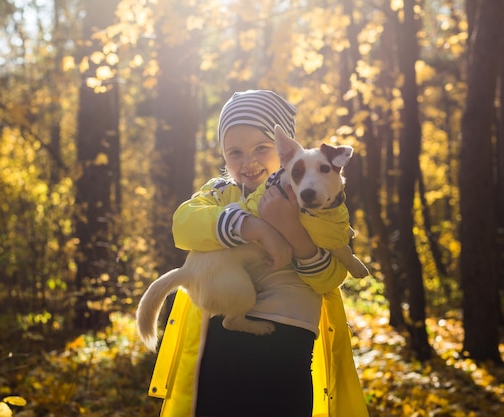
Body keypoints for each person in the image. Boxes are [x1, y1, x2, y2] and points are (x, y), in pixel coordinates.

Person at [146, 90, 369, 417]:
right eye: (234, 152)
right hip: (223, 342)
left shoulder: (314, 197)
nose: (248, 162)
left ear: (286, 150)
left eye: (261, 149)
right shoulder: (221, 192)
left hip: (290, 345)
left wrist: (290, 227)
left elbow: (329, 278)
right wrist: (256, 227)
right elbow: (184, 223)